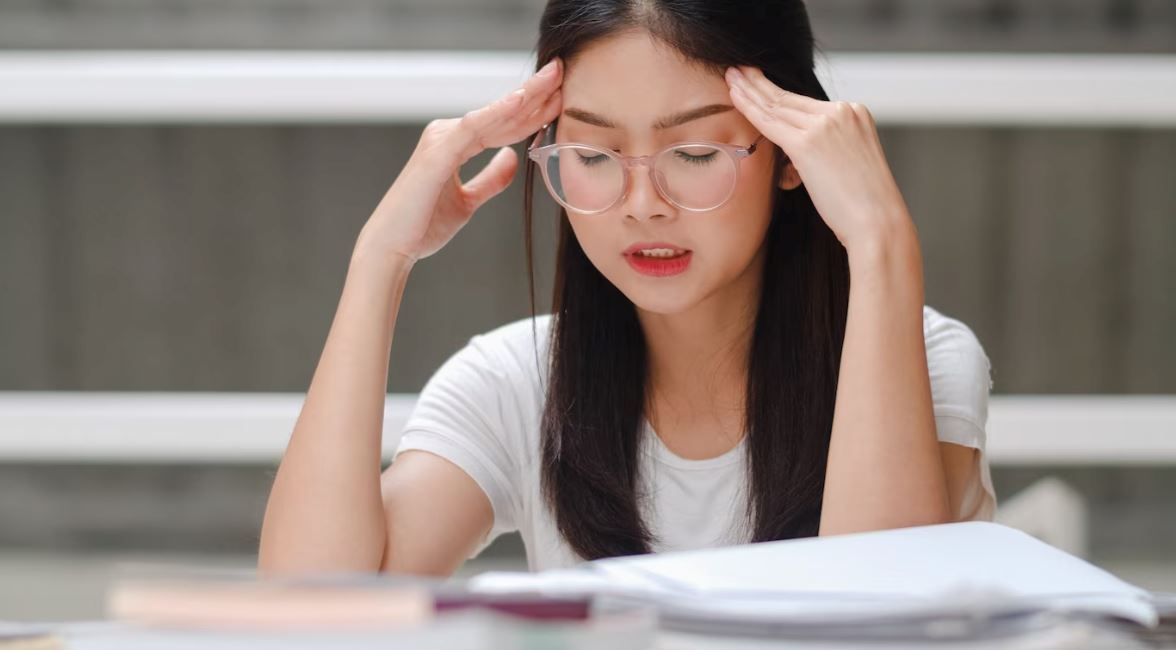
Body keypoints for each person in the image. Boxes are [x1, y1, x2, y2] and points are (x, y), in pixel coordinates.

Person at [258, 0, 997, 577]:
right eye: (594, 153)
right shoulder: (517, 383)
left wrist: (881, 244)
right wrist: (380, 258)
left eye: (696, 151)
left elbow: (881, 625)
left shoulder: (922, 360)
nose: (642, 202)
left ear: (793, 153)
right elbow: (315, 611)